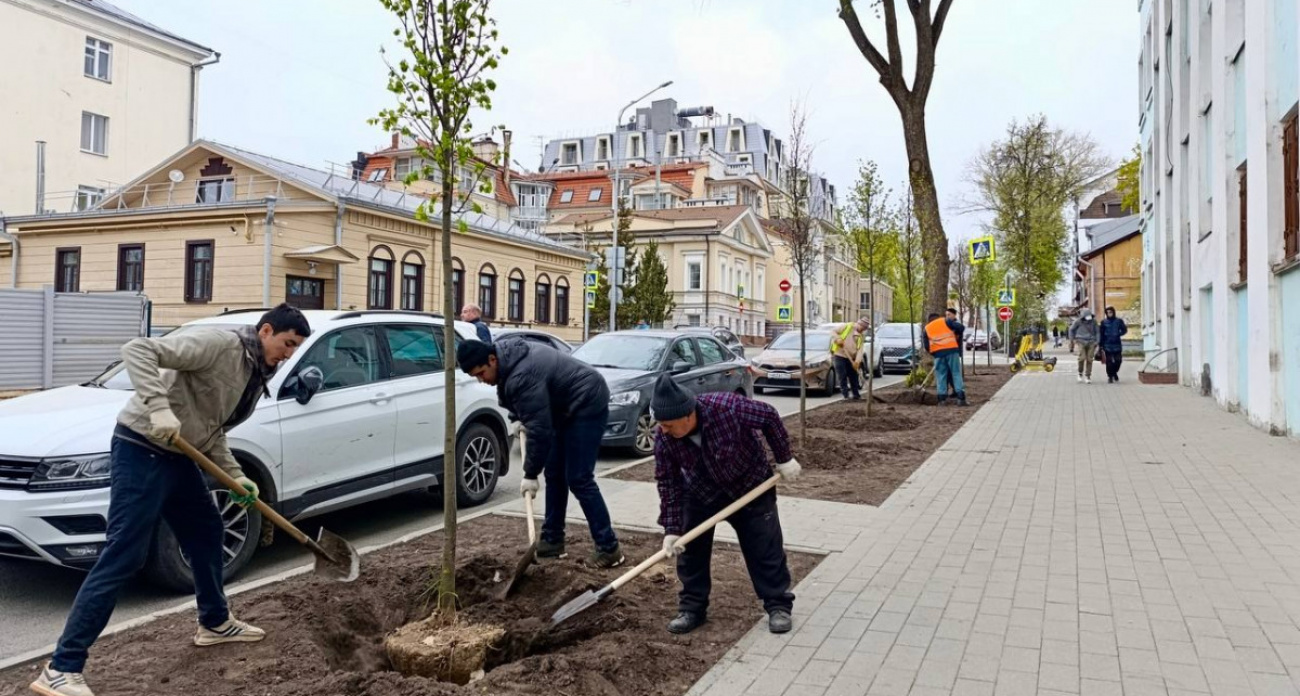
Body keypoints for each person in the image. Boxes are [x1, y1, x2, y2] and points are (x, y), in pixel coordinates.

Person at [33, 304, 310, 696]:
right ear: (266, 331)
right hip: (142, 447)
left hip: (180, 456)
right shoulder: (217, 344)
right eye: (287, 343)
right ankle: (61, 667)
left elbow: (212, 432)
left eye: (295, 348)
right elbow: (138, 350)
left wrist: (236, 476)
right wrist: (159, 408)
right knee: (124, 554)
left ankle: (214, 622)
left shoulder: (253, 372)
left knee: (206, 531)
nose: (288, 354)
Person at [649, 374, 801, 636]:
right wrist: (672, 529)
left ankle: (778, 605)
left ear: (687, 415)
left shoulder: (727, 407)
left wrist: (784, 458)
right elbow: (668, 483)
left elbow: (769, 416)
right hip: (700, 494)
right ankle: (692, 609)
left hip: (751, 488)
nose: (663, 430)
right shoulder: (664, 439)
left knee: (764, 547)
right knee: (691, 551)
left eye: (668, 424)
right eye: (660, 424)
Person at [456, 339, 624, 567]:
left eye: (481, 373)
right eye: (476, 376)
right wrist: (517, 417)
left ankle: (609, 548)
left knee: (579, 478)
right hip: (562, 407)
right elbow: (524, 398)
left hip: (587, 401)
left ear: (492, 360)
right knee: (554, 473)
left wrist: (530, 474)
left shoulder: (521, 374)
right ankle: (553, 541)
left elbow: (541, 430)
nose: (481, 380)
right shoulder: (508, 359)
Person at [922, 309, 967, 406]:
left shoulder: (926, 328)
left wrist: (935, 353)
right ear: (937, 318)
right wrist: (955, 333)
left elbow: (926, 345)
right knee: (956, 373)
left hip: (938, 354)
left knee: (941, 376)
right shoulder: (944, 321)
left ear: (929, 320)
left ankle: (942, 400)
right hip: (952, 351)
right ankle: (960, 398)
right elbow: (961, 327)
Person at [830, 318, 870, 401]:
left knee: (854, 376)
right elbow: (833, 331)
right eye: (862, 328)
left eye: (864, 329)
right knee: (842, 375)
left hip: (851, 357)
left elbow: (860, 350)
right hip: (839, 355)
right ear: (859, 324)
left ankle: (856, 395)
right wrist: (838, 339)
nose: (862, 330)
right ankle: (846, 396)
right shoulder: (847, 326)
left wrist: (857, 362)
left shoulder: (861, 336)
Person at [1069, 310, 1100, 384]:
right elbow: (1071, 329)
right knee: (1082, 358)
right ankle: (1080, 373)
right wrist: (1072, 339)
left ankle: (1088, 376)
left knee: (1090, 359)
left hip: (1091, 342)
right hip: (1081, 341)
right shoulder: (1078, 321)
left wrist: (1097, 341)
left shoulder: (1094, 322)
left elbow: (1097, 332)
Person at [1099, 306, 1129, 383]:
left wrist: (1119, 334)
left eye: (1111, 312)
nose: (1109, 314)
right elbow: (1101, 334)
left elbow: (1124, 330)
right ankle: (1110, 376)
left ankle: (1114, 372)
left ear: (1113, 312)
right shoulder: (1104, 322)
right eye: (1108, 312)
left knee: (1118, 360)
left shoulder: (1118, 321)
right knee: (1109, 362)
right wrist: (1100, 344)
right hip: (1107, 344)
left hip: (1117, 344)